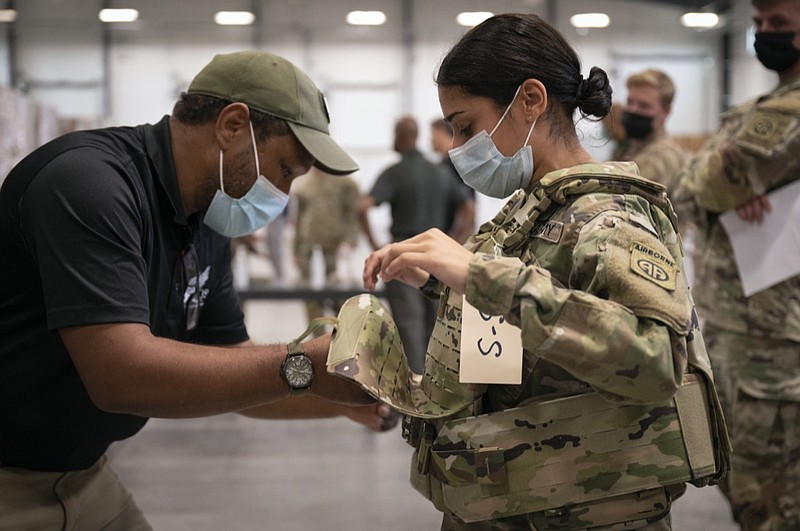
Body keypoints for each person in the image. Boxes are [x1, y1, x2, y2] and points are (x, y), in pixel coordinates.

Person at [0, 50, 396, 531]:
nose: (285, 194)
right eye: (286, 170)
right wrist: (305, 366)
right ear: (232, 126)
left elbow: (234, 364)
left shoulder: (205, 221)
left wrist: (340, 399)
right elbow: (120, 376)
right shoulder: (90, 186)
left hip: (84, 476)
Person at [362, 14, 729, 531]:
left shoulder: (609, 217)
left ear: (531, 100)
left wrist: (483, 278)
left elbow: (658, 359)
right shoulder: (538, 209)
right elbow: (537, 317)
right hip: (517, 498)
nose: (455, 145)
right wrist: (437, 281)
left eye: (466, 125)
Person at [673, 0, 800, 528]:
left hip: (771, 336)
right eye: (759, 25)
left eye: (781, 26)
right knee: (739, 473)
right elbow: (687, 191)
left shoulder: (788, 110)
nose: (765, 34)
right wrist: (720, 184)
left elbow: (708, 180)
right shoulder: (765, 104)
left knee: (770, 490)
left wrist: (721, 183)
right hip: (739, 322)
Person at [358, 115, 471, 374]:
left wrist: (375, 243)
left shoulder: (395, 173)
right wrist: (455, 241)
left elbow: (362, 207)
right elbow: (468, 207)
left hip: (403, 256)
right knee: (439, 325)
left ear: (398, 137)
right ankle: (435, 388)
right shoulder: (440, 172)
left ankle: (414, 391)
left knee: (409, 327)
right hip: (439, 256)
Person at [292, 166, 360, 332]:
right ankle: (319, 347)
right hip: (309, 251)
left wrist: (349, 242)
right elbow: (299, 219)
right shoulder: (303, 184)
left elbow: (352, 216)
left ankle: (343, 345)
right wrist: (295, 251)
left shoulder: (345, 184)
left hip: (335, 252)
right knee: (312, 304)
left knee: (342, 303)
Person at [611, 69, 689, 199]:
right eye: (630, 102)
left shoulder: (662, 157)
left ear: (666, 111)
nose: (633, 110)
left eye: (644, 106)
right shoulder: (629, 147)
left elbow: (616, 198)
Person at [431, 117, 476, 244]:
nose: (430, 140)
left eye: (433, 134)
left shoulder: (454, 164)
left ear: (441, 133)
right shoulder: (445, 164)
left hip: (454, 239)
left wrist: (456, 241)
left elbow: (468, 208)